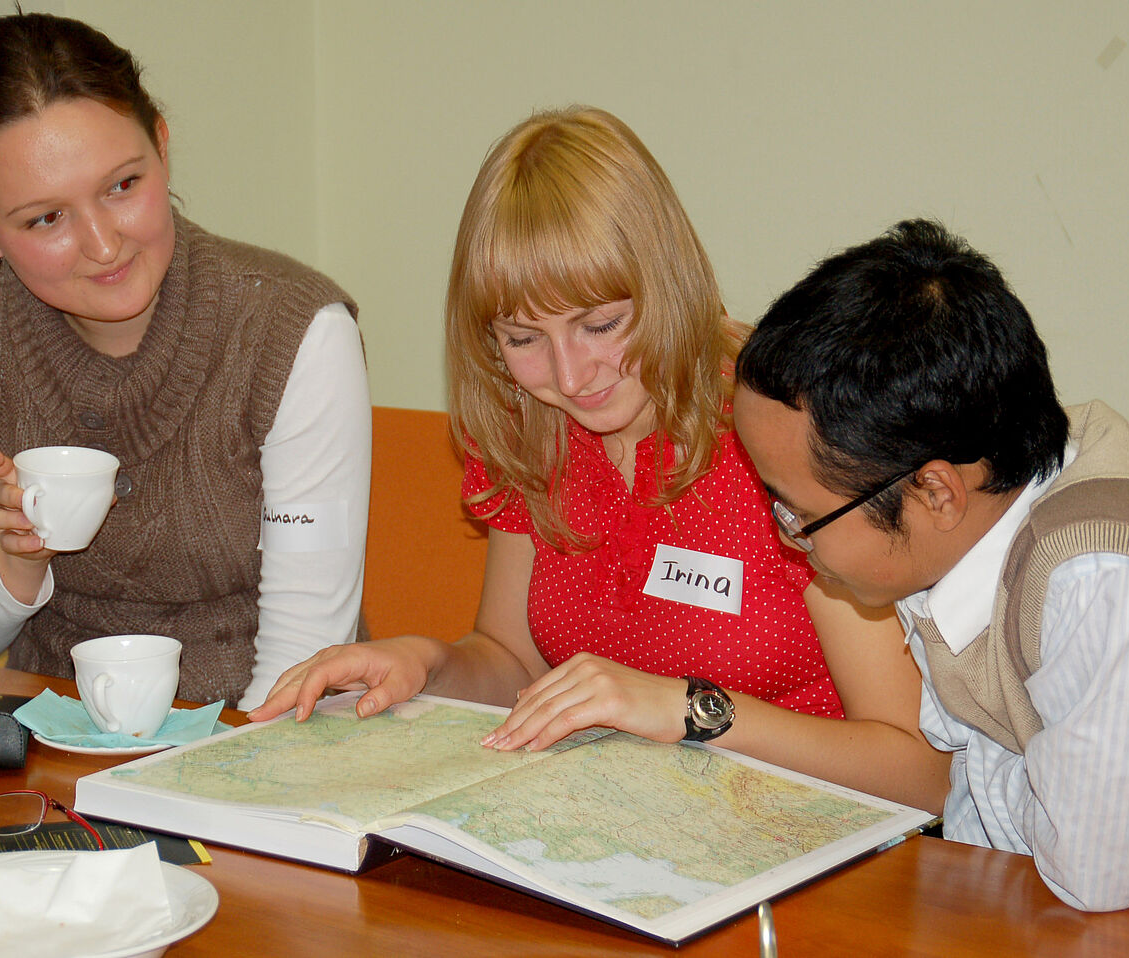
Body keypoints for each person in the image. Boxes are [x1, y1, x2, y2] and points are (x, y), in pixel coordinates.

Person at [252, 107, 949, 813]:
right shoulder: (533, 428)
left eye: (601, 325)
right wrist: (426, 665)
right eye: (524, 339)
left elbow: (921, 775)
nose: (572, 374)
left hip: (812, 846)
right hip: (628, 827)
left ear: (667, 286)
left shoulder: (776, 431)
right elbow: (515, 660)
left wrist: (691, 711)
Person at [733, 218, 1129, 910]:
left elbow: (1110, 878)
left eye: (798, 513)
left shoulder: (1105, 579)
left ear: (934, 491)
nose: (788, 535)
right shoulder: (977, 506)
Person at [0, 12, 370, 710]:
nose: (103, 244)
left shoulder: (292, 331)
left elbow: (302, 662)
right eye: (45, 219)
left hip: (260, 740)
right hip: (48, 746)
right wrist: (13, 564)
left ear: (163, 148)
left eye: (122, 185)